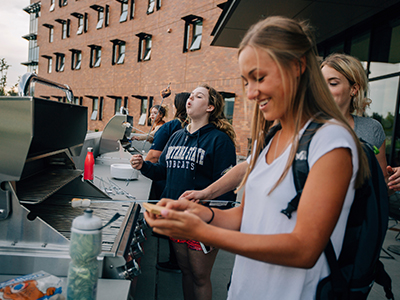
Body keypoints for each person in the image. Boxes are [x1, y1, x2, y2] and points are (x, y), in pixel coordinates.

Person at [143, 16, 370, 300]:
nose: (250, 93)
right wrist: (205, 213)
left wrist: (202, 231)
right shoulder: (272, 137)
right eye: (246, 81)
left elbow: (304, 249)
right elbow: (247, 216)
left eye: (259, 78)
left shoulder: (332, 141)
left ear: (298, 66)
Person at [130, 84, 237, 300]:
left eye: (198, 96)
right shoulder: (176, 136)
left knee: (200, 276)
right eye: (190, 95)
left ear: (210, 107)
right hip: (176, 216)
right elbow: (163, 172)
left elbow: (227, 188)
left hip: (202, 221)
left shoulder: (219, 140)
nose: (190, 99)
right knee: (186, 272)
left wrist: (215, 220)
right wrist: (143, 166)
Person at [321, 53, 389, 179]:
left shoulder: (371, 129)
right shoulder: (304, 125)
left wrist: (393, 182)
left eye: (333, 83)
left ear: (354, 89)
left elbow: (382, 184)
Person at [147, 92, 190, 274]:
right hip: (183, 183)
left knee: (167, 212)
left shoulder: (172, 126)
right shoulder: (186, 129)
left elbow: (155, 156)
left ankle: (175, 259)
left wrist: (142, 163)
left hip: (166, 181)